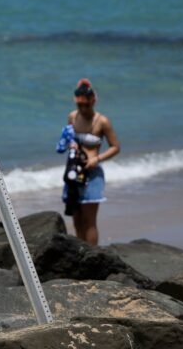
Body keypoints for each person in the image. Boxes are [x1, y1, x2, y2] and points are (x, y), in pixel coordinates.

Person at [59, 78, 120, 246]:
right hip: (74, 171)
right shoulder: (72, 117)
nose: (83, 109)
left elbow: (115, 147)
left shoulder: (102, 121)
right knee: (77, 218)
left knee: (89, 220)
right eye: (80, 106)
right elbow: (68, 138)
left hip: (92, 174)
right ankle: (79, 254)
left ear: (94, 101)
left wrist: (97, 158)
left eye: (87, 105)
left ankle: (92, 255)